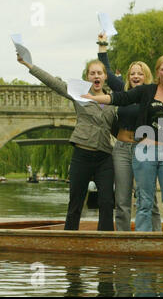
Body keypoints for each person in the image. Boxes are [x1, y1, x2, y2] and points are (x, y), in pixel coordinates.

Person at [82, 55, 163, 232]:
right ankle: (139, 241)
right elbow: (120, 98)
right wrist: (95, 98)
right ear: (158, 73)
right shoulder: (147, 92)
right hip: (144, 151)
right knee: (143, 202)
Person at [16, 54, 116, 231]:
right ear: (88, 77)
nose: (96, 76)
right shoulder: (80, 95)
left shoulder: (113, 99)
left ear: (105, 76)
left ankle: (106, 240)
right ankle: (70, 237)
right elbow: (54, 83)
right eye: (92, 73)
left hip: (105, 157)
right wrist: (28, 64)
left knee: (107, 202)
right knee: (75, 202)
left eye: (99, 73)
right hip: (82, 155)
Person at [97, 33, 162, 231]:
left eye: (140, 73)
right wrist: (102, 45)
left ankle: (156, 237)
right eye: (133, 73)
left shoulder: (153, 93)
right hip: (122, 150)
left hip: (144, 150)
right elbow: (106, 71)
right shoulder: (123, 90)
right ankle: (123, 239)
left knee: (147, 197)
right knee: (122, 200)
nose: (136, 76)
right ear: (128, 77)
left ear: (146, 77)